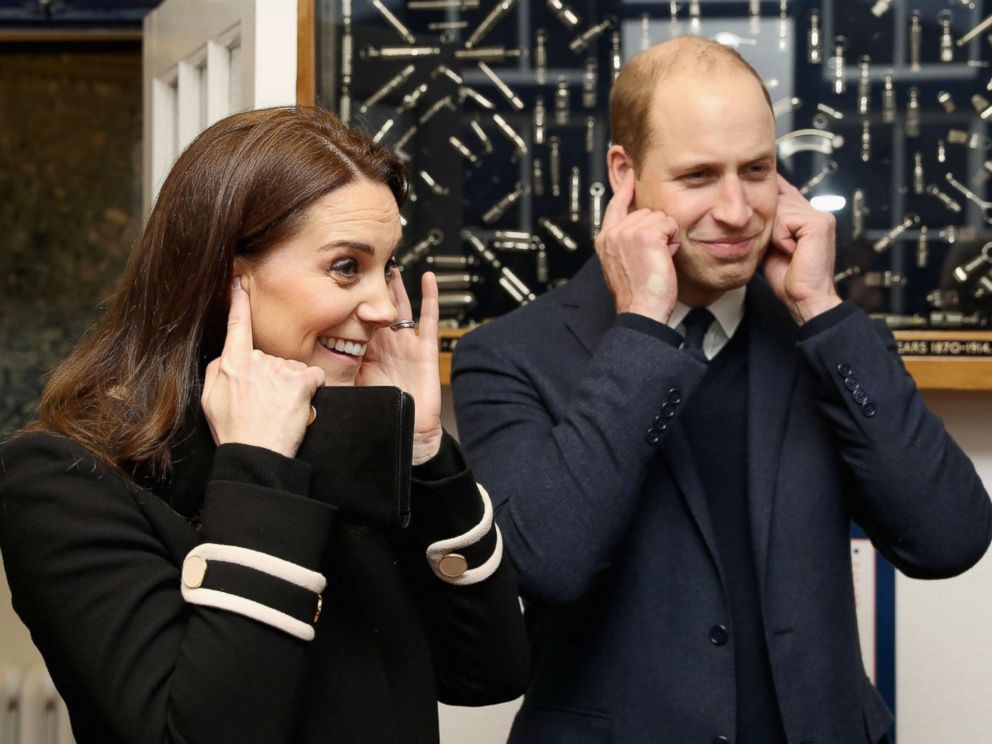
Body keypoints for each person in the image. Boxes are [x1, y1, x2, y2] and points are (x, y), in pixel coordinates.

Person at [452, 36, 991, 744]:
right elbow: (545, 567)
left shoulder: (825, 335)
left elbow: (948, 538)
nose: (738, 211)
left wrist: (822, 310)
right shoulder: (509, 355)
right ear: (626, 174)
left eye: (757, 170)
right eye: (700, 175)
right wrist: (643, 326)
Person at [0, 106, 528, 744]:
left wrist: (424, 451)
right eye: (344, 267)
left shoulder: (347, 442)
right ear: (231, 278)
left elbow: (489, 672)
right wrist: (258, 468)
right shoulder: (64, 481)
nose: (387, 308)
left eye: (386, 268)